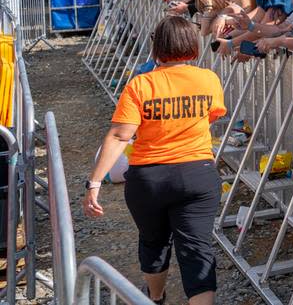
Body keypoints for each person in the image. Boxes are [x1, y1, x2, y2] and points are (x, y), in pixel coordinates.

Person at [83, 16, 226, 304]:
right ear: (193, 45)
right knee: (197, 250)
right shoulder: (208, 79)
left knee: (154, 242)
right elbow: (211, 116)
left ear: (156, 46)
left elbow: (120, 136)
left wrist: (95, 182)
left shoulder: (141, 85)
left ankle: (156, 297)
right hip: (197, 172)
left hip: (149, 177)